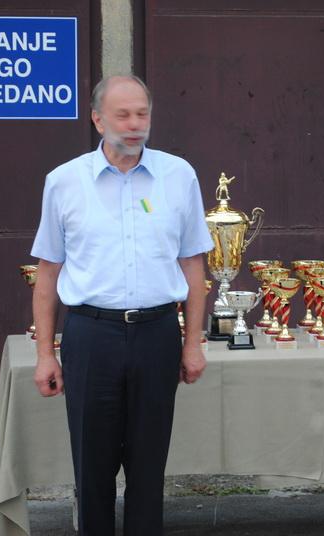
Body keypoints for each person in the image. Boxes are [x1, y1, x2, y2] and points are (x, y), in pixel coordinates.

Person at [29, 74, 214, 534]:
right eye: (123, 115)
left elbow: (193, 265)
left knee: (149, 468)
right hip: (92, 336)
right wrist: (45, 354)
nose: (135, 125)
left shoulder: (179, 176)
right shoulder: (64, 182)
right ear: (97, 120)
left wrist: (193, 343)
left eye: (142, 114)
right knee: (92, 469)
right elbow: (47, 273)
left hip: (157, 335)